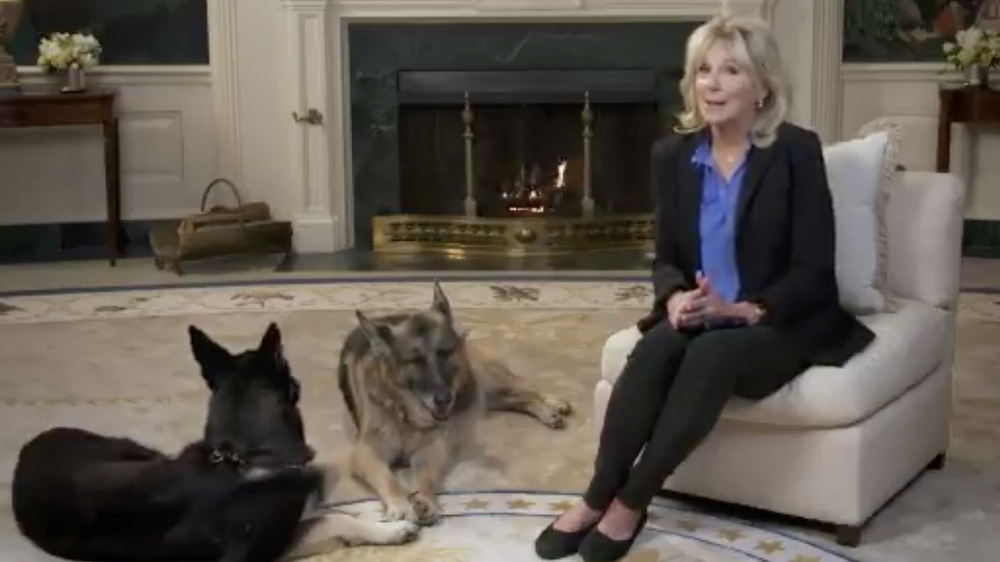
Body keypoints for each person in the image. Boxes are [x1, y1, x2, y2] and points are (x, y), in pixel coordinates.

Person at [533, 13, 876, 562]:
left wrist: (745, 309)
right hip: (703, 315)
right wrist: (674, 297)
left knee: (713, 353)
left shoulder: (794, 152)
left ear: (762, 84)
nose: (712, 84)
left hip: (777, 323)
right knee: (654, 350)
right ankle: (597, 495)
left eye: (731, 70)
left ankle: (631, 503)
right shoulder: (673, 156)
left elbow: (815, 270)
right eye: (702, 71)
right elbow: (666, 257)